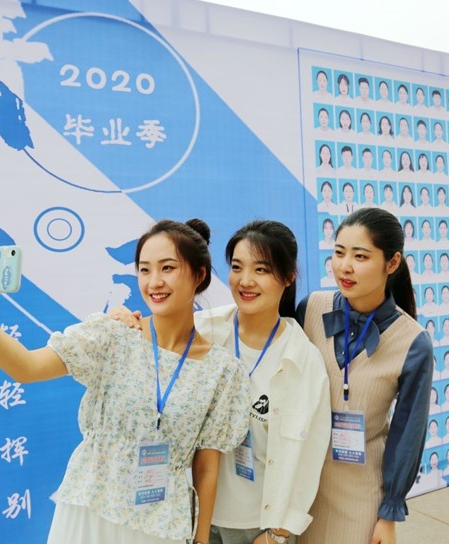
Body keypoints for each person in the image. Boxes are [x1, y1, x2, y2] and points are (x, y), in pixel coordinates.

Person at [0, 220, 251, 544]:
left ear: (199, 274)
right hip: (88, 513)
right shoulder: (113, 334)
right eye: (144, 270)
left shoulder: (223, 371)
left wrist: (202, 539)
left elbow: (206, 467)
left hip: (161, 525)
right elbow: (27, 367)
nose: (154, 282)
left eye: (168, 268)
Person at [110, 221, 333, 544]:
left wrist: (278, 533)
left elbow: (310, 456)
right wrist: (123, 321)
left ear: (288, 277)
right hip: (189, 516)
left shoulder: (302, 361)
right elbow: (150, 332)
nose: (245, 281)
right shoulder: (203, 331)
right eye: (237, 267)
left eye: (261, 269)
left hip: (257, 526)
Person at [296, 208, 434, 544]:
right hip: (301, 487)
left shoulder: (413, 342)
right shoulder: (310, 309)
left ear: (392, 263)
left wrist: (389, 513)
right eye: (339, 253)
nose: (345, 266)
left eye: (360, 256)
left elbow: (407, 434)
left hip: (360, 492)